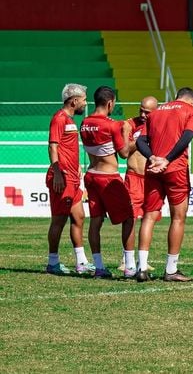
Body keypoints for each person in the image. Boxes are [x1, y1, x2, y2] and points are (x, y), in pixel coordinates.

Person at [135, 88, 193, 283]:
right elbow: (187, 137)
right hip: (175, 169)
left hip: (152, 168)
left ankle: (141, 268)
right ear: (192, 101)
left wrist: (153, 157)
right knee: (178, 218)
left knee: (148, 216)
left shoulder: (156, 112)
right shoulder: (191, 111)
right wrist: (167, 159)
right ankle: (171, 269)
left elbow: (140, 140)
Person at [80, 86, 135, 279]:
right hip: (108, 177)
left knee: (95, 221)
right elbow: (124, 153)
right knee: (129, 218)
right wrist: (136, 137)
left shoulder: (84, 123)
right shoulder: (111, 125)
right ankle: (129, 267)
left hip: (91, 176)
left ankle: (99, 267)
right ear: (110, 103)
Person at [45, 83, 94, 276]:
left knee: (79, 217)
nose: (85, 103)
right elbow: (53, 147)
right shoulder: (59, 118)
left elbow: (67, 147)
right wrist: (57, 172)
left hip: (73, 178)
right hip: (62, 178)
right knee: (59, 220)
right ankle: (53, 262)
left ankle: (81, 262)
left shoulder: (70, 120)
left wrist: (77, 166)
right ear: (74, 101)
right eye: (83, 99)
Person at [117, 96, 159, 273]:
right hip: (134, 178)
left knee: (149, 220)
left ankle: (143, 259)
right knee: (130, 220)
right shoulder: (129, 125)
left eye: (147, 112)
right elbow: (124, 152)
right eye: (141, 110)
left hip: (151, 179)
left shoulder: (159, 124)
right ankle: (125, 260)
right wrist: (140, 139)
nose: (142, 114)